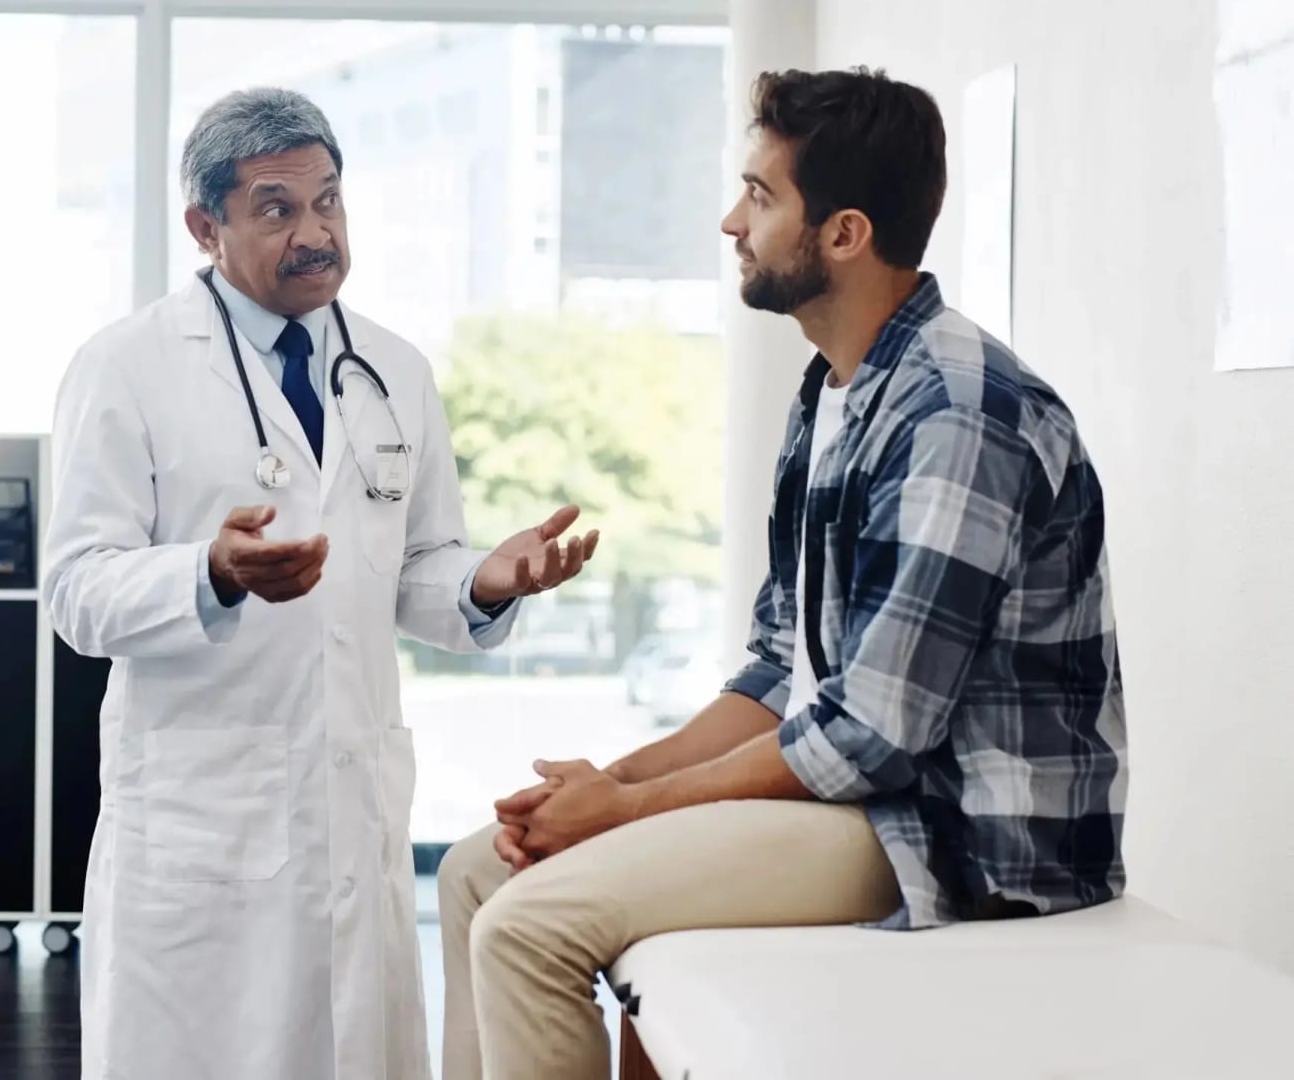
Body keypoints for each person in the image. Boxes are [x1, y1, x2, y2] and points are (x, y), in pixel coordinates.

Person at [437, 68, 1128, 1080]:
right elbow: (778, 671)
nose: (730, 220)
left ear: (843, 233)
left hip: (954, 832)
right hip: (851, 805)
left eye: (760, 196)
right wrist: (612, 779)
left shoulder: (957, 413)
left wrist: (629, 810)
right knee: (475, 872)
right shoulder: (837, 391)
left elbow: (874, 736)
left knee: (526, 927)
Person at [43, 87, 603, 1080]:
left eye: (329, 202)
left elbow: (415, 576)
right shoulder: (125, 367)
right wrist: (209, 573)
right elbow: (78, 592)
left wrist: (486, 578)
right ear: (204, 226)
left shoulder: (391, 370)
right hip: (200, 823)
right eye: (276, 209)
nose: (315, 234)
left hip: (352, 806)